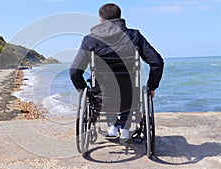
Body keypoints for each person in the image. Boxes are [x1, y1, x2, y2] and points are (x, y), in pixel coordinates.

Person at [69, 3, 164, 139]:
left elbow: (74, 72)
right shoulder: (134, 36)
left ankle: (111, 126)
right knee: (127, 88)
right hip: (130, 95)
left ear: (101, 19)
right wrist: (152, 87)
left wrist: (83, 91)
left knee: (104, 88)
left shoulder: (90, 40)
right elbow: (157, 62)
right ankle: (124, 128)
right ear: (120, 18)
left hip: (101, 97)